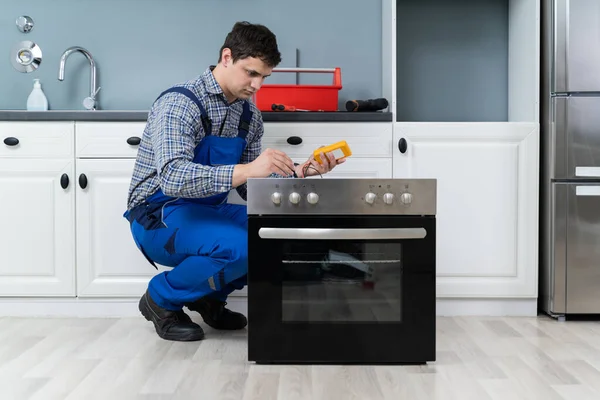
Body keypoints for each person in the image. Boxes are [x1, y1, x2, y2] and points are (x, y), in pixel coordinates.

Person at [123, 21, 344, 342]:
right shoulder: (180, 104)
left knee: (276, 235)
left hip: (205, 212)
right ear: (226, 57)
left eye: (264, 77)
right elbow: (172, 178)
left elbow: (249, 187)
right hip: (158, 213)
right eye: (250, 73)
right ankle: (160, 299)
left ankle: (207, 298)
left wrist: (299, 173)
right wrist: (249, 169)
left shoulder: (248, 116)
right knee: (241, 246)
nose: (257, 85)